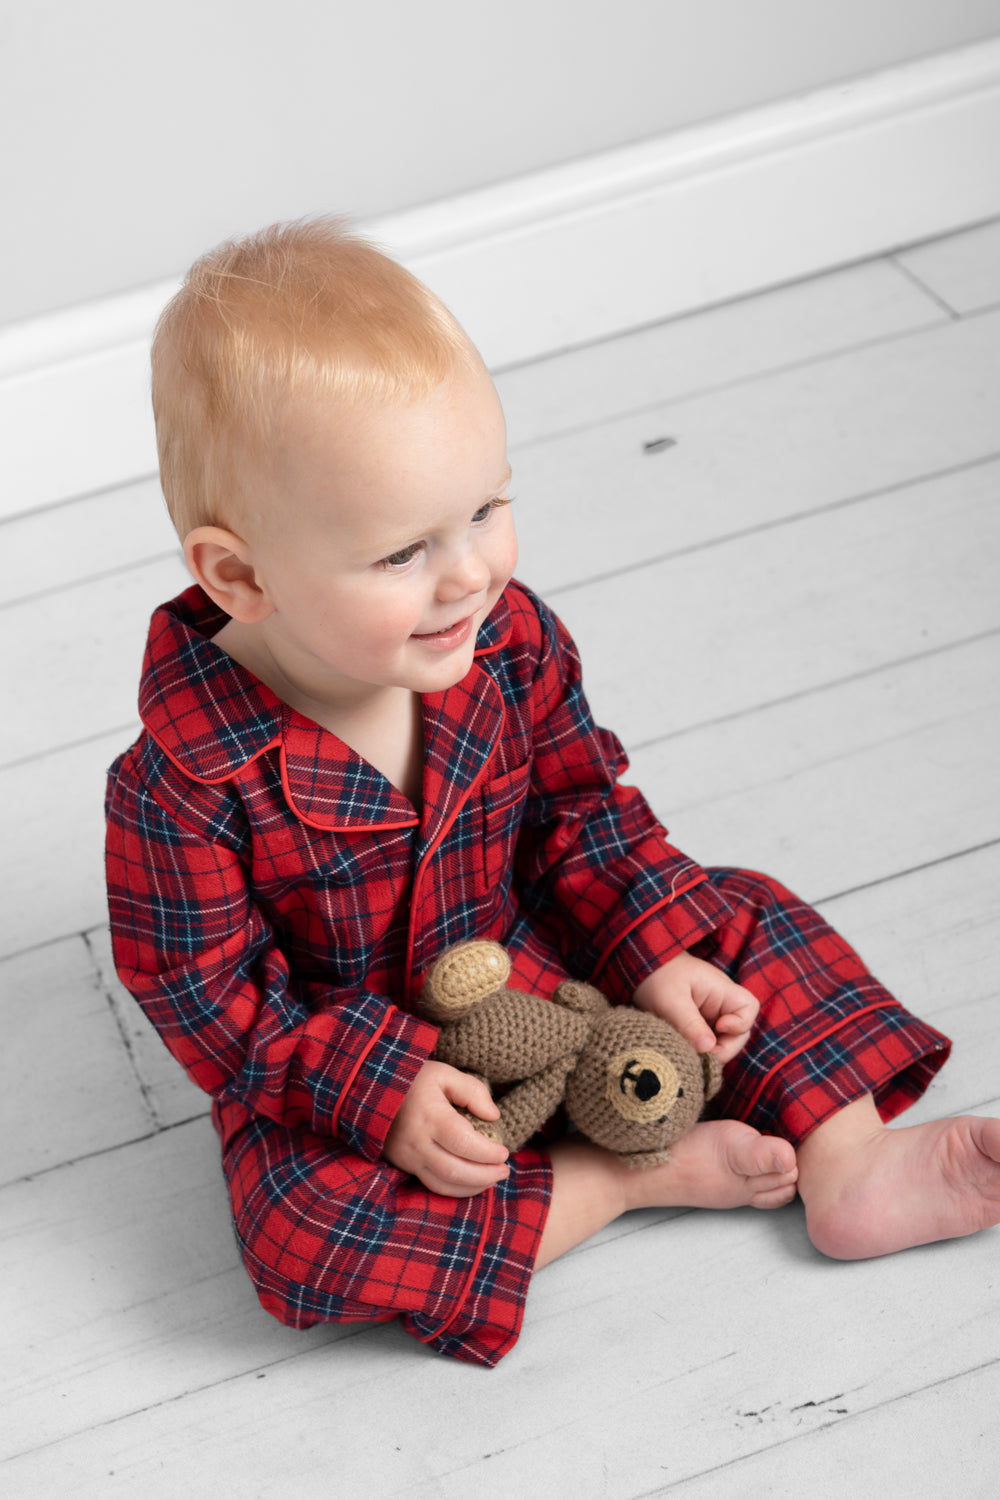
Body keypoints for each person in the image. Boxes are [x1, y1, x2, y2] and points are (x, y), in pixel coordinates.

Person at [105, 218, 1000, 1368]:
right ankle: (613, 1182)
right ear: (239, 574)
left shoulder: (507, 642)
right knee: (297, 1229)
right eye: (401, 552)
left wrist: (653, 951)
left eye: (485, 508)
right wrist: (381, 1095)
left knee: (737, 914)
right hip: (368, 1049)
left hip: (536, 956)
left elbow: (582, 812)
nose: (469, 570)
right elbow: (215, 1005)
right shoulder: (180, 788)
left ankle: (846, 1162)